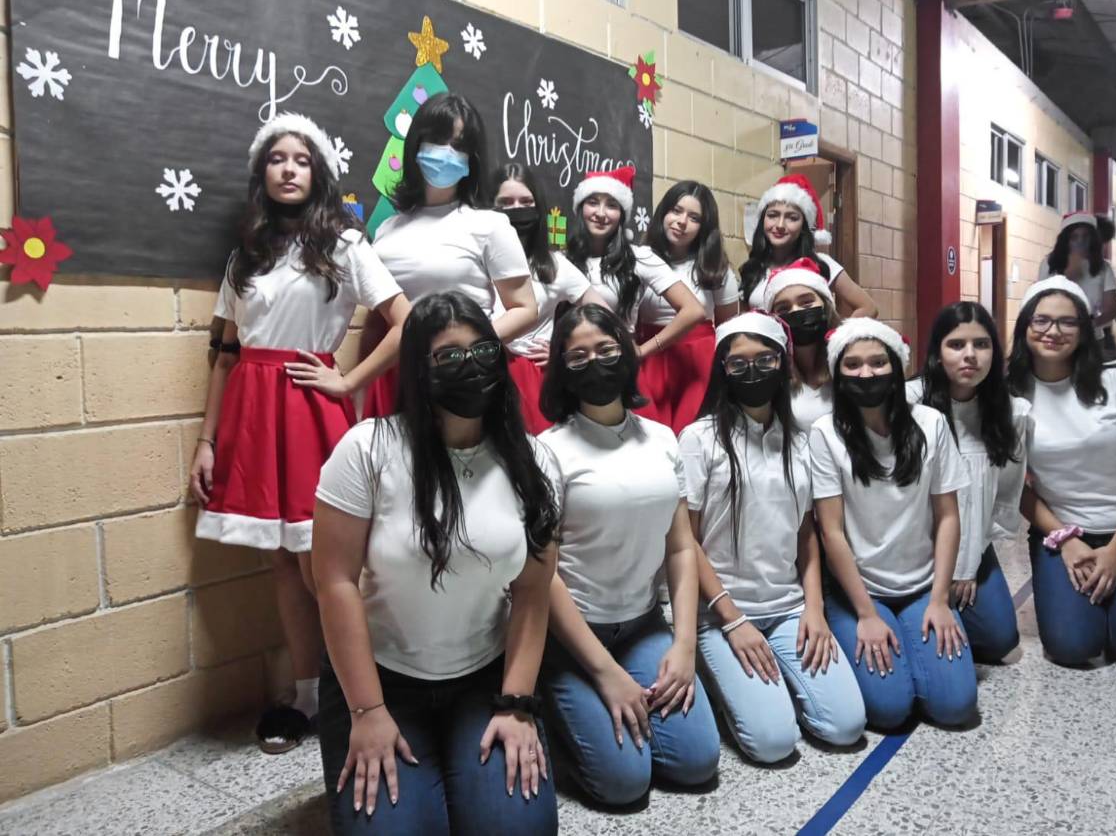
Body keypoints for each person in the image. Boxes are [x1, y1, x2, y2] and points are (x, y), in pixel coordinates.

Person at [190, 113, 410, 753]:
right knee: (282, 562)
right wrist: (207, 441)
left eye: (302, 159)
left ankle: (362, 694)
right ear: (263, 173)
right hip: (252, 417)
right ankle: (308, 696)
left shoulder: (344, 244)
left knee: (329, 566)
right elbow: (226, 356)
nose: (289, 168)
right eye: (277, 159)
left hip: (311, 411)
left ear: (318, 173)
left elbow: (404, 321)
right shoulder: (245, 255)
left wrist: (348, 381)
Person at [312, 292, 562, 835]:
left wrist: (517, 703)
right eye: (448, 357)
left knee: (518, 829)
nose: (470, 368)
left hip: (484, 677)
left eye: (482, 353)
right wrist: (367, 712)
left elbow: (534, 592)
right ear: (419, 372)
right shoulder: (367, 449)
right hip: (380, 680)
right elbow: (334, 583)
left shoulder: (535, 461)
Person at [536, 304, 720, 806]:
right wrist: (606, 675)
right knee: (622, 784)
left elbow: (681, 546)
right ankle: (551, 716)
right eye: (578, 356)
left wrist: (683, 646)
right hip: (574, 639)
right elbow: (543, 577)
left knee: (696, 761)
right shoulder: (548, 450)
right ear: (561, 369)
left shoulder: (661, 439)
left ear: (627, 353)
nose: (594, 362)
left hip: (642, 625)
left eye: (606, 349)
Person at [680, 312, 866, 763]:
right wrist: (732, 621)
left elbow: (807, 536)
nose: (752, 372)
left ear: (783, 364)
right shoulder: (698, 439)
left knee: (846, 726)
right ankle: (727, 679)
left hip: (787, 609)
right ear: (722, 370)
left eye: (765, 360)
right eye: (738, 363)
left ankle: (771, 686)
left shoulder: (802, 442)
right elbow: (687, 543)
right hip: (721, 614)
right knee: (773, 743)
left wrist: (815, 610)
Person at [1008, 275, 1116, 675]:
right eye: (1041, 320)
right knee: (1073, 647)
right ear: (1024, 327)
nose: (1053, 331)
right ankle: (1104, 601)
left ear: (1084, 330)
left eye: (1067, 322)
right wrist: (1065, 540)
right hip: (1064, 534)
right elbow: (1012, 484)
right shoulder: (1008, 393)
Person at [811, 319, 978, 730]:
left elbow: (948, 516)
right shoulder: (824, 433)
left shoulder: (931, 424)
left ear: (897, 367)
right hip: (859, 592)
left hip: (922, 586)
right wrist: (867, 614)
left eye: (876, 362)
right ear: (838, 373)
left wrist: (940, 599)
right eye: (852, 365)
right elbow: (831, 531)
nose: (865, 373)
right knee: (888, 711)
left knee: (956, 708)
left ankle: (916, 649)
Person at [360, 93, 537, 416]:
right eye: (439, 140)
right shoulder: (386, 229)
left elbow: (525, 309)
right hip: (393, 376)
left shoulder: (490, 225)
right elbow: (377, 315)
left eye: (459, 145)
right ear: (416, 143)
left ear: (472, 158)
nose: (447, 152)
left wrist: (468, 349)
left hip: (463, 375)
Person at [909, 302, 1031, 663]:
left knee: (999, 640)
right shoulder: (909, 404)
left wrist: (967, 564)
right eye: (956, 344)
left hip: (972, 545)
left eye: (981, 344)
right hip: (913, 551)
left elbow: (1003, 496)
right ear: (936, 352)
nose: (970, 355)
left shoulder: (1011, 412)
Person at [564, 165, 705, 423]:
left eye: (612, 205)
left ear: (622, 214)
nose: (601, 213)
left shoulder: (639, 257)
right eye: (593, 202)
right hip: (574, 369)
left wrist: (644, 351)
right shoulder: (564, 260)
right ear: (580, 208)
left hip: (618, 368)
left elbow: (693, 310)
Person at [491, 162, 609, 434]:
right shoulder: (475, 259)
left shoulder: (556, 266)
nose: (516, 208)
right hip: (483, 372)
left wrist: (563, 349)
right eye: (505, 202)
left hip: (534, 379)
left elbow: (603, 318)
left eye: (525, 201)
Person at [636, 181, 740, 433]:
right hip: (646, 356)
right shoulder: (639, 257)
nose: (681, 221)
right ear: (663, 213)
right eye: (676, 210)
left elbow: (728, 328)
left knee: (692, 433)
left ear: (704, 227)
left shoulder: (716, 267)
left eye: (694, 217)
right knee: (650, 435)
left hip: (697, 363)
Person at [739, 173, 876, 318]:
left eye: (792, 218)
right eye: (773, 215)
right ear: (763, 220)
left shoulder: (821, 263)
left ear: (803, 226)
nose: (780, 225)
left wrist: (836, 336)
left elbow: (868, 307)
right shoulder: (753, 268)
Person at [763, 258, 841, 429]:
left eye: (806, 302)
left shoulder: (847, 360)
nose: (796, 311)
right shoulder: (771, 371)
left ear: (825, 305)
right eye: (783, 309)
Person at [1038, 211, 1116, 358]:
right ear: (1066, 240)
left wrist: (1089, 325)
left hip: (1092, 338)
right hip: (1056, 336)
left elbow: (1111, 308)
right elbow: (1040, 300)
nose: (1080, 242)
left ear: (1093, 239)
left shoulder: (1103, 267)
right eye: (1074, 237)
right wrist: (1069, 274)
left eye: (1085, 236)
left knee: (1090, 378)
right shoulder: (1050, 263)